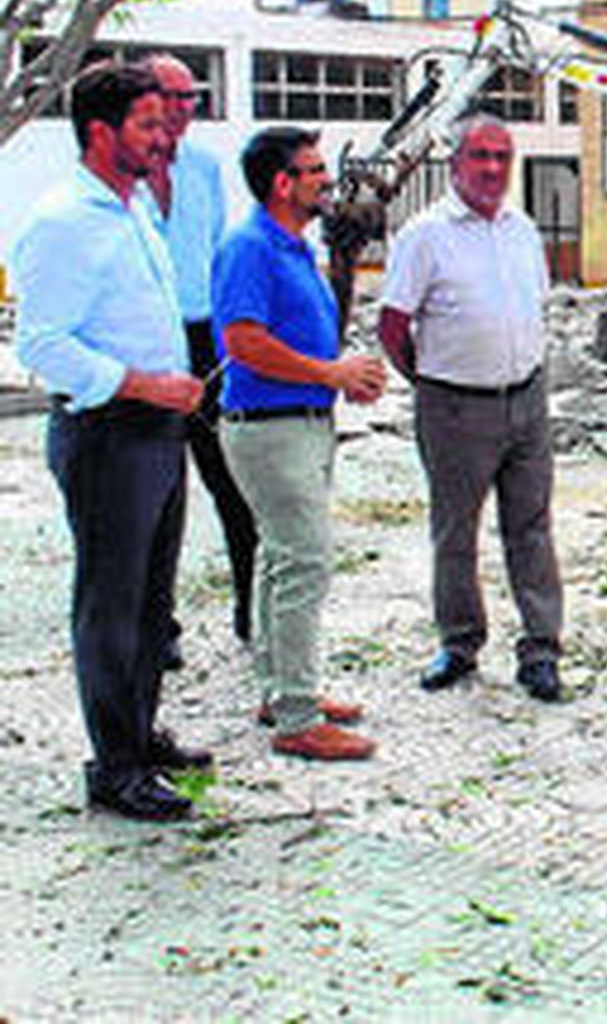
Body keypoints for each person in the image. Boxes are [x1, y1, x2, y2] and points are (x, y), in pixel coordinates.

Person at [14, 61, 213, 822]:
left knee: (153, 600)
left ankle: (140, 731)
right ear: (101, 132)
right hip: (108, 433)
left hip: (159, 429)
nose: (164, 137)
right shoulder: (65, 221)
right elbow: (43, 344)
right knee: (111, 603)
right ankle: (115, 767)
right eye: (148, 125)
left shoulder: (133, 210)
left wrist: (171, 387)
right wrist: (140, 383)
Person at [212, 126, 387, 761]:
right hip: (271, 427)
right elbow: (243, 342)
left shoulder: (292, 247)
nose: (327, 181)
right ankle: (297, 717)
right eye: (314, 170)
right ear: (282, 184)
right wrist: (330, 373)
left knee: (279, 561)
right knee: (305, 562)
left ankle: (281, 689)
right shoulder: (250, 248)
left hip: (301, 421)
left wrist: (339, 378)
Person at [378, 114, 564, 702]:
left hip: (526, 400)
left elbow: (534, 306)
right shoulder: (424, 235)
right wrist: (433, 380)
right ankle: (459, 643)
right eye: (480, 156)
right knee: (456, 532)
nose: (492, 169)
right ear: (455, 164)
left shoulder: (521, 229)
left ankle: (541, 649)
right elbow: (393, 325)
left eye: (502, 157)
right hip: (455, 407)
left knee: (531, 528)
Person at [140, 53, 258, 647]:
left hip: (203, 336)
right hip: (147, 345)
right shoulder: (121, 176)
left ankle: (252, 611)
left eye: (191, 97)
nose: (184, 109)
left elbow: (215, 254)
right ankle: (155, 625)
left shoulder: (205, 167)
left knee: (233, 481)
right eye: (172, 96)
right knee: (155, 494)